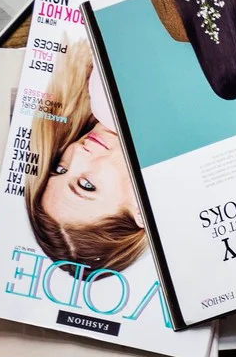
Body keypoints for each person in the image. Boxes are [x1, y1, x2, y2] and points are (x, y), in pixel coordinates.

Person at [23, 40, 149, 274]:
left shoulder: (106, 100)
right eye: (86, 185)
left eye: (60, 169)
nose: (77, 153)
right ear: (140, 211)